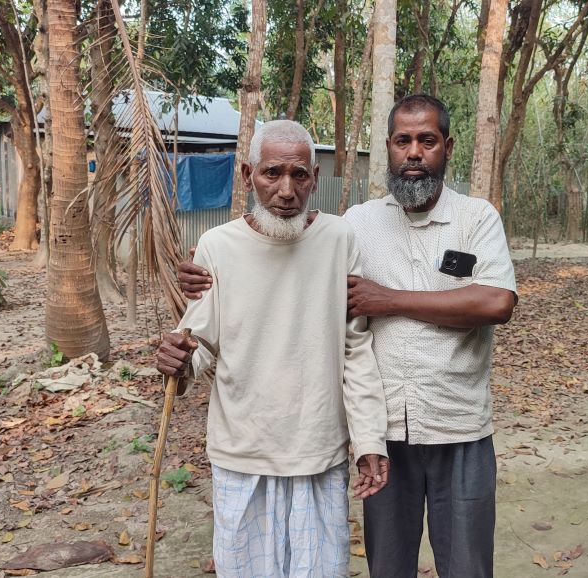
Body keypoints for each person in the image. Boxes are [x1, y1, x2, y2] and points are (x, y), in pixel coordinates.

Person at [179, 95, 517, 577]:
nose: (414, 152)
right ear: (388, 147)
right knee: (388, 566)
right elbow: (288, 235)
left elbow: (497, 303)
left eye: (427, 141)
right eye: (403, 141)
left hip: (458, 422)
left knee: (467, 566)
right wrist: (215, 256)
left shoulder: (476, 218)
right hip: (387, 432)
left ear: (448, 147)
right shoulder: (359, 223)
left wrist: (390, 299)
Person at [156, 119, 389, 578]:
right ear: (248, 176)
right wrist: (179, 361)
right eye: (272, 173)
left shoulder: (339, 239)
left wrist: (369, 440)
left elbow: (356, 349)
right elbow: (200, 344)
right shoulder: (217, 246)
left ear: (314, 179)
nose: (286, 190)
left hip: (317, 451)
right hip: (242, 452)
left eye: (299, 175)